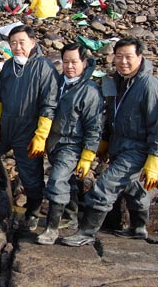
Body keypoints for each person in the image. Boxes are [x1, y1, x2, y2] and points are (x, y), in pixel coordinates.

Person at [62, 37, 158, 246]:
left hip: (138, 149)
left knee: (105, 186)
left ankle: (86, 232)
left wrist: (155, 161)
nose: (123, 62)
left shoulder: (150, 87)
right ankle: (138, 228)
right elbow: (111, 116)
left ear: (140, 57)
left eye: (129, 57)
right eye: (119, 56)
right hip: (120, 146)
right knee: (134, 188)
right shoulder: (118, 81)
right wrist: (105, 143)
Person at [0, 25, 58, 231]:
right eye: (13, 43)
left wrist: (41, 135)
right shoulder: (8, 66)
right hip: (5, 126)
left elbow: (49, 105)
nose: (17, 47)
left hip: (28, 132)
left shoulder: (44, 68)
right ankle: (0, 180)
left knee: (31, 177)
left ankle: (32, 211)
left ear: (33, 42)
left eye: (22, 42)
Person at [36, 43, 103, 245]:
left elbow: (94, 127)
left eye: (74, 62)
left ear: (84, 62)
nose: (69, 66)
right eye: (66, 62)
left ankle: (51, 229)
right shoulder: (57, 82)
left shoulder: (90, 91)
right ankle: (70, 216)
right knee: (68, 181)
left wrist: (87, 156)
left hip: (72, 144)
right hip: (53, 141)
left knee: (56, 180)